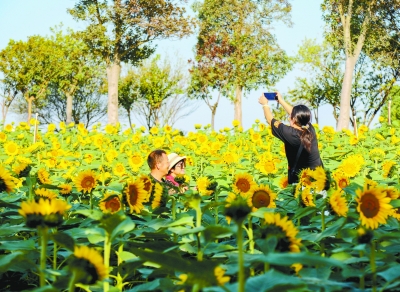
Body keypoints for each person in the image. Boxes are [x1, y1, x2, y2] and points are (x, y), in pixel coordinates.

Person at [258, 92, 322, 184]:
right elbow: (297, 115)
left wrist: (265, 104)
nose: (289, 117)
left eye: (290, 117)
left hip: (302, 183)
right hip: (320, 181)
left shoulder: (290, 134)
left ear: (294, 119)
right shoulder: (310, 129)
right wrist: (281, 101)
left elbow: (270, 120)